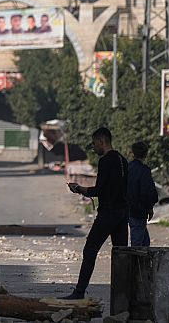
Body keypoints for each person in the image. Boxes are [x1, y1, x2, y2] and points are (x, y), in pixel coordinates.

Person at [62, 127, 128, 299]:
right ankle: (124, 296)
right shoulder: (122, 159)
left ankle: (79, 292)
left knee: (90, 249)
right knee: (121, 254)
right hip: (122, 213)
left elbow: (100, 190)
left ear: (101, 141)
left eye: (94, 144)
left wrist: (79, 189)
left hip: (108, 213)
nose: (94, 147)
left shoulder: (106, 161)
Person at [127, 142, 158, 247]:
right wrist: (149, 207)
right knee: (138, 245)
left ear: (132, 153)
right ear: (146, 154)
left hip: (128, 210)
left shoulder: (127, 168)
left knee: (144, 242)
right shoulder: (144, 170)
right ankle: (136, 264)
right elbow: (148, 192)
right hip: (139, 211)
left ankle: (142, 263)